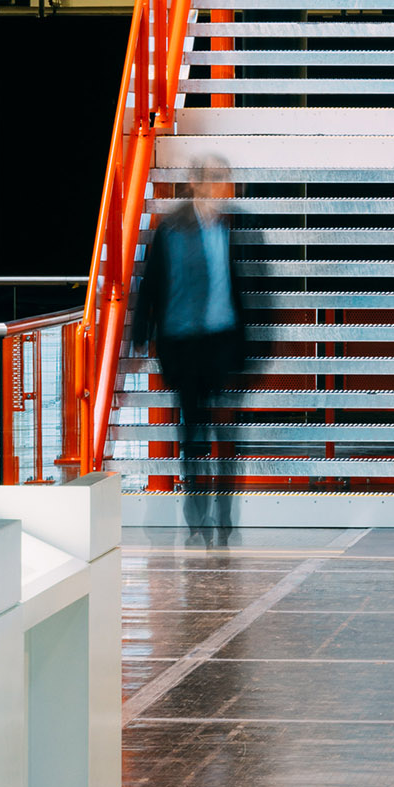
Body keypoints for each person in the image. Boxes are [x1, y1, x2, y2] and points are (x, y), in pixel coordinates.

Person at [132, 156, 256, 547]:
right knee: (192, 432)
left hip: (223, 341)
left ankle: (223, 512)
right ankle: (195, 510)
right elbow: (152, 285)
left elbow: (252, 286)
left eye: (228, 178)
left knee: (226, 433)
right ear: (197, 184)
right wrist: (140, 334)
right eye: (219, 179)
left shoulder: (238, 226)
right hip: (184, 344)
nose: (226, 187)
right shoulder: (171, 228)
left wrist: (256, 343)